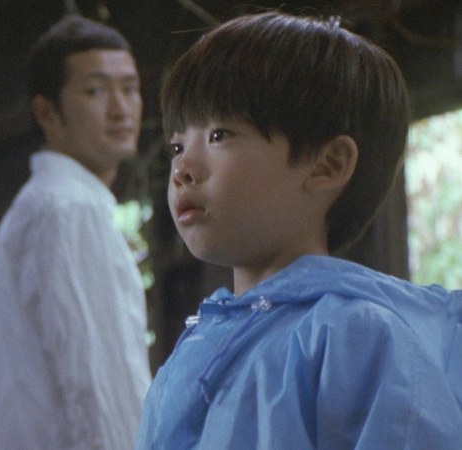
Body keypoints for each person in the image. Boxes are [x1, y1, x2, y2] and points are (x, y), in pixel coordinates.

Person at [136, 11, 462, 449]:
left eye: (220, 135)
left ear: (328, 165)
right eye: (178, 145)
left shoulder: (353, 335)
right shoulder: (197, 346)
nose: (182, 169)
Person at [0, 13, 152, 450]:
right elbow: (101, 393)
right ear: (48, 113)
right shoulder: (70, 208)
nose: (121, 108)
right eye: (96, 90)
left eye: (129, 88)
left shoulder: (47, 204)